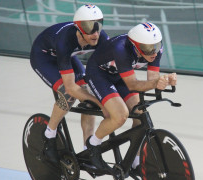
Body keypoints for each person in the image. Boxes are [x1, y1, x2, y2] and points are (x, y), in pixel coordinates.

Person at [84, 22, 177, 172]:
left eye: (157, 45)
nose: (154, 52)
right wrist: (156, 82)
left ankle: (135, 160)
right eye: (148, 48)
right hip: (99, 74)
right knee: (120, 116)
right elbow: (133, 85)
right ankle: (93, 145)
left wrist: (163, 82)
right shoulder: (121, 49)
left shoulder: (155, 51)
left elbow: (151, 79)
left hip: (118, 75)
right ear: (135, 46)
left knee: (140, 112)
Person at [30, 4, 109, 166]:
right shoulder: (65, 40)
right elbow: (71, 87)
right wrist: (101, 103)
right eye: (89, 27)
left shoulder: (101, 38)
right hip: (44, 58)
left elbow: (105, 70)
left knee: (88, 96)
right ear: (78, 29)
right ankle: (49, 134)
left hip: (68, 56)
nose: (95, 33)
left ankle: (88, 147)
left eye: (98, 25)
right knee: (69, 94)